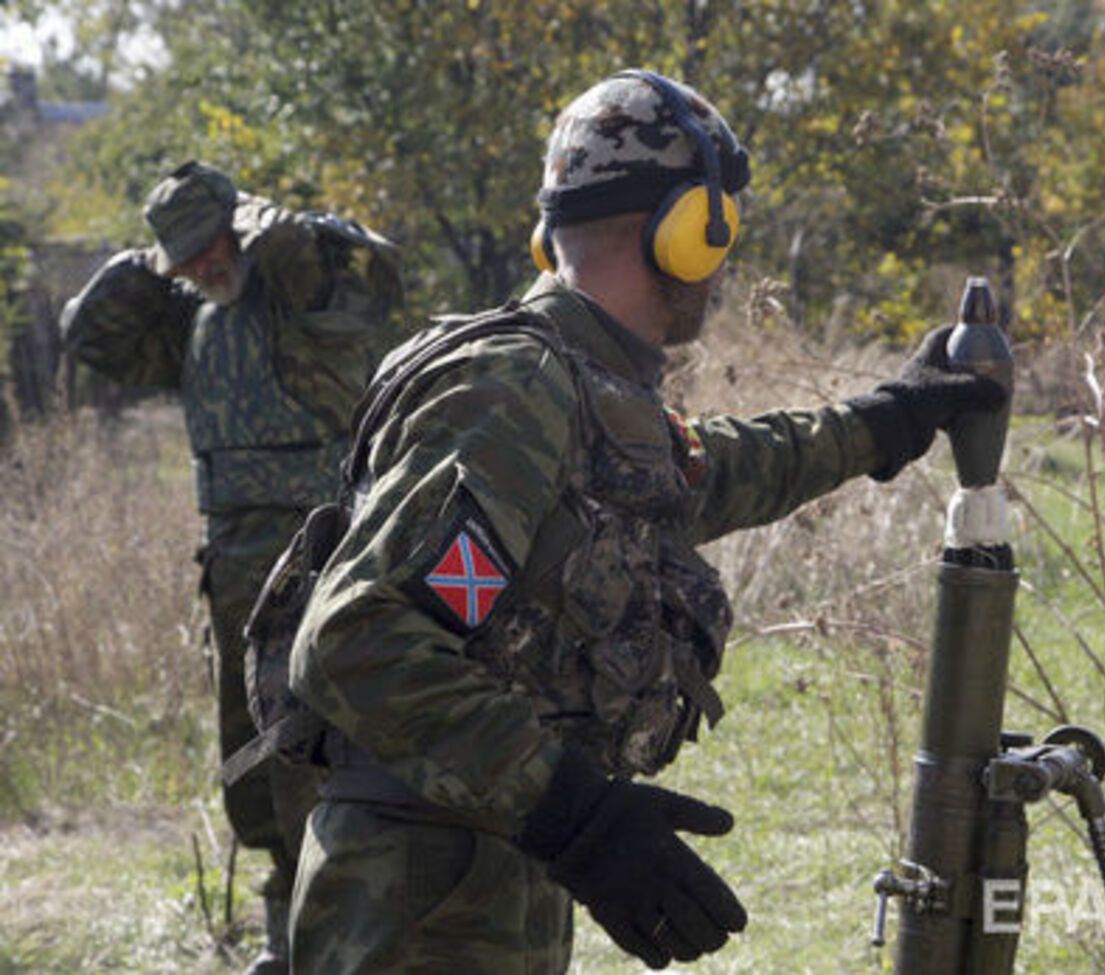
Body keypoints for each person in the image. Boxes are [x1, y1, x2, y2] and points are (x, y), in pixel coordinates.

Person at [287, 70, 1004, 974]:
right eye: (725, 227)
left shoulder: (585, 391)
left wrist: (889, 419)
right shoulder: (514, 389)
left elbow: (712, 472)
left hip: (470, 876)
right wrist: (575, 813)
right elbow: (354, 638)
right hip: (417, 905)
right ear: (691, 229)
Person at [60, 161, 404, 975]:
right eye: (182, 258)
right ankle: (292, 937)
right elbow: (89, 333)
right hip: (234, 565)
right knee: (253, 751)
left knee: (321, 740)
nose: (200, 268)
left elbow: (300, 247)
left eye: (207, 247)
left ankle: (352, 937)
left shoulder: (296, 281)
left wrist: (245, 219)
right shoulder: (195, 318)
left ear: (238, 227)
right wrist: (151, 259)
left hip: (320, 548)